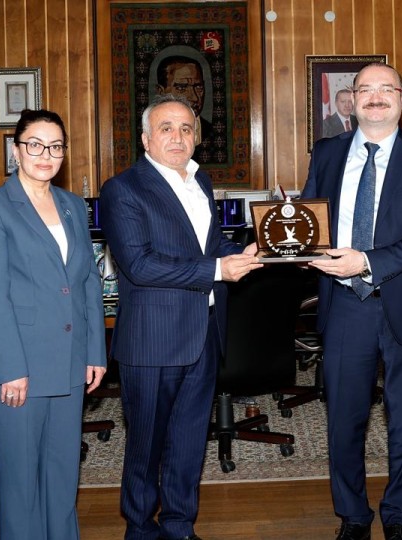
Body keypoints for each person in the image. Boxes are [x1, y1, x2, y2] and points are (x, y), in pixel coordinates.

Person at [99, 94, 262, 540]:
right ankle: (139, 529)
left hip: (204, 334)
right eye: (166, 128)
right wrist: (217, 270)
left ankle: (179, 526)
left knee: (189, 444)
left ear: (197, 137)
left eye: (186, 129)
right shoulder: (123, 189)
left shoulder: (200, 181)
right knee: (146, 447)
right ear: (146, 139)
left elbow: (208, 245)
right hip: (153, 340)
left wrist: (245, 251)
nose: (178, 137)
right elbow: (140, 265)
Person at [301, 62, 402, 540]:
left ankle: (398, 515)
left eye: (386, 88)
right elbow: (309, 218)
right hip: (345, 304)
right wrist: (294, 249)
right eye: (365, 88)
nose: (375, 96)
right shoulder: (327, 153)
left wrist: (365, 261)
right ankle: (352, 515)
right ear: (352, 100)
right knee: (344, 418)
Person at [0, 109, 107, 540]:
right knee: (21, 484)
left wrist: (95, 351)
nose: (46, 154)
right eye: (35, 145)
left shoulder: (72, 205)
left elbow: (87, 281)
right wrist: (10, 368)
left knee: (63, 475)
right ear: (16, 151)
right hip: (19, 368)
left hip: (69, 361)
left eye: (55, 146)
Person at [155, 55, 217, 163]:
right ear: (161, 92)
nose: (194, 97)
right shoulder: (149, 134)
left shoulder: (216, 133)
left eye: (198, 87)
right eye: (181, 88)